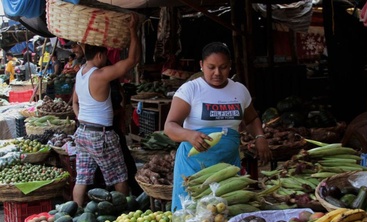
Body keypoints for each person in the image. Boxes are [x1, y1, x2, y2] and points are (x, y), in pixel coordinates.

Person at [164, 42, 272, 211]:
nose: (217, 73)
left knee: (224, 213)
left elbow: (252, 119)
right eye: (211, 67)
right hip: (194, 168)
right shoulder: (190, 89)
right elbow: (170, 126)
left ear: (230, 66)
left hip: (228, 166)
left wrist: (260, 137)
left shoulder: (239, 90)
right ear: (201, 65)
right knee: (192, 215)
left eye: (223, 67)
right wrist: (189, 135)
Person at [72, 13, 141, 207]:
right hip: (101, 135)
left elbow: (74, 103)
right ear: (100, 55)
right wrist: (133, 31)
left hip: (83, 132)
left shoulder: (80, 73)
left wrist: (82, 119)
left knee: (82, 178)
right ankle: (125, 214)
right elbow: (133, 59)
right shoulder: (100, 75)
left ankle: (74, 212)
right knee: (119, 176)